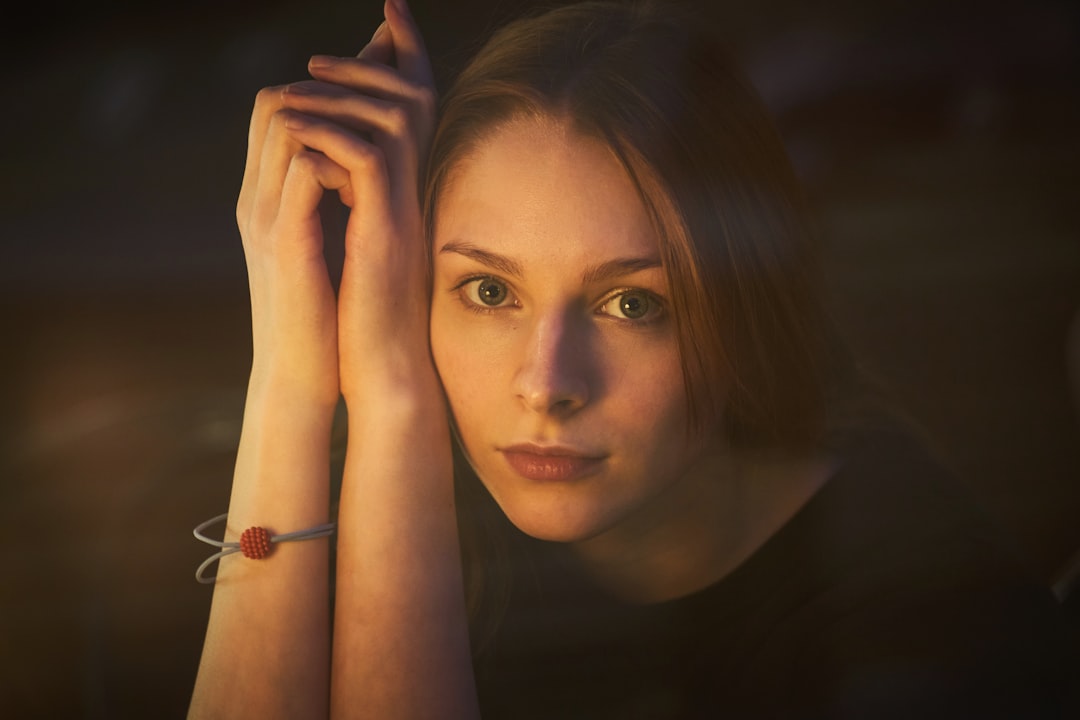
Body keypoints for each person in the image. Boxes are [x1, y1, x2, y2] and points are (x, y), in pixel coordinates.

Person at [188, 0, 1078, 717]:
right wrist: (291, 382)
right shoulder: (398, 471)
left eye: (631, 304)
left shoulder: (923, 625)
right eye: (490, 292)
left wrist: (389, 397)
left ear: (740, 310)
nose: (545, 386)